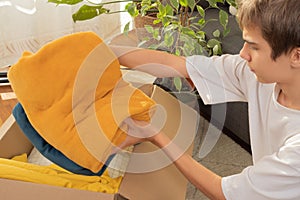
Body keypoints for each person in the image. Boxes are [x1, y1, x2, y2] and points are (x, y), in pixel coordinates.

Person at [109, 0, 300, 199]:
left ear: (296, 56)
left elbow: (222, 192)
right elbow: (179, 66)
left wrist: (157, 135)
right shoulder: (257, 76)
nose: (243, 54)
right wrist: (107, 52)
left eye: (254, 47)